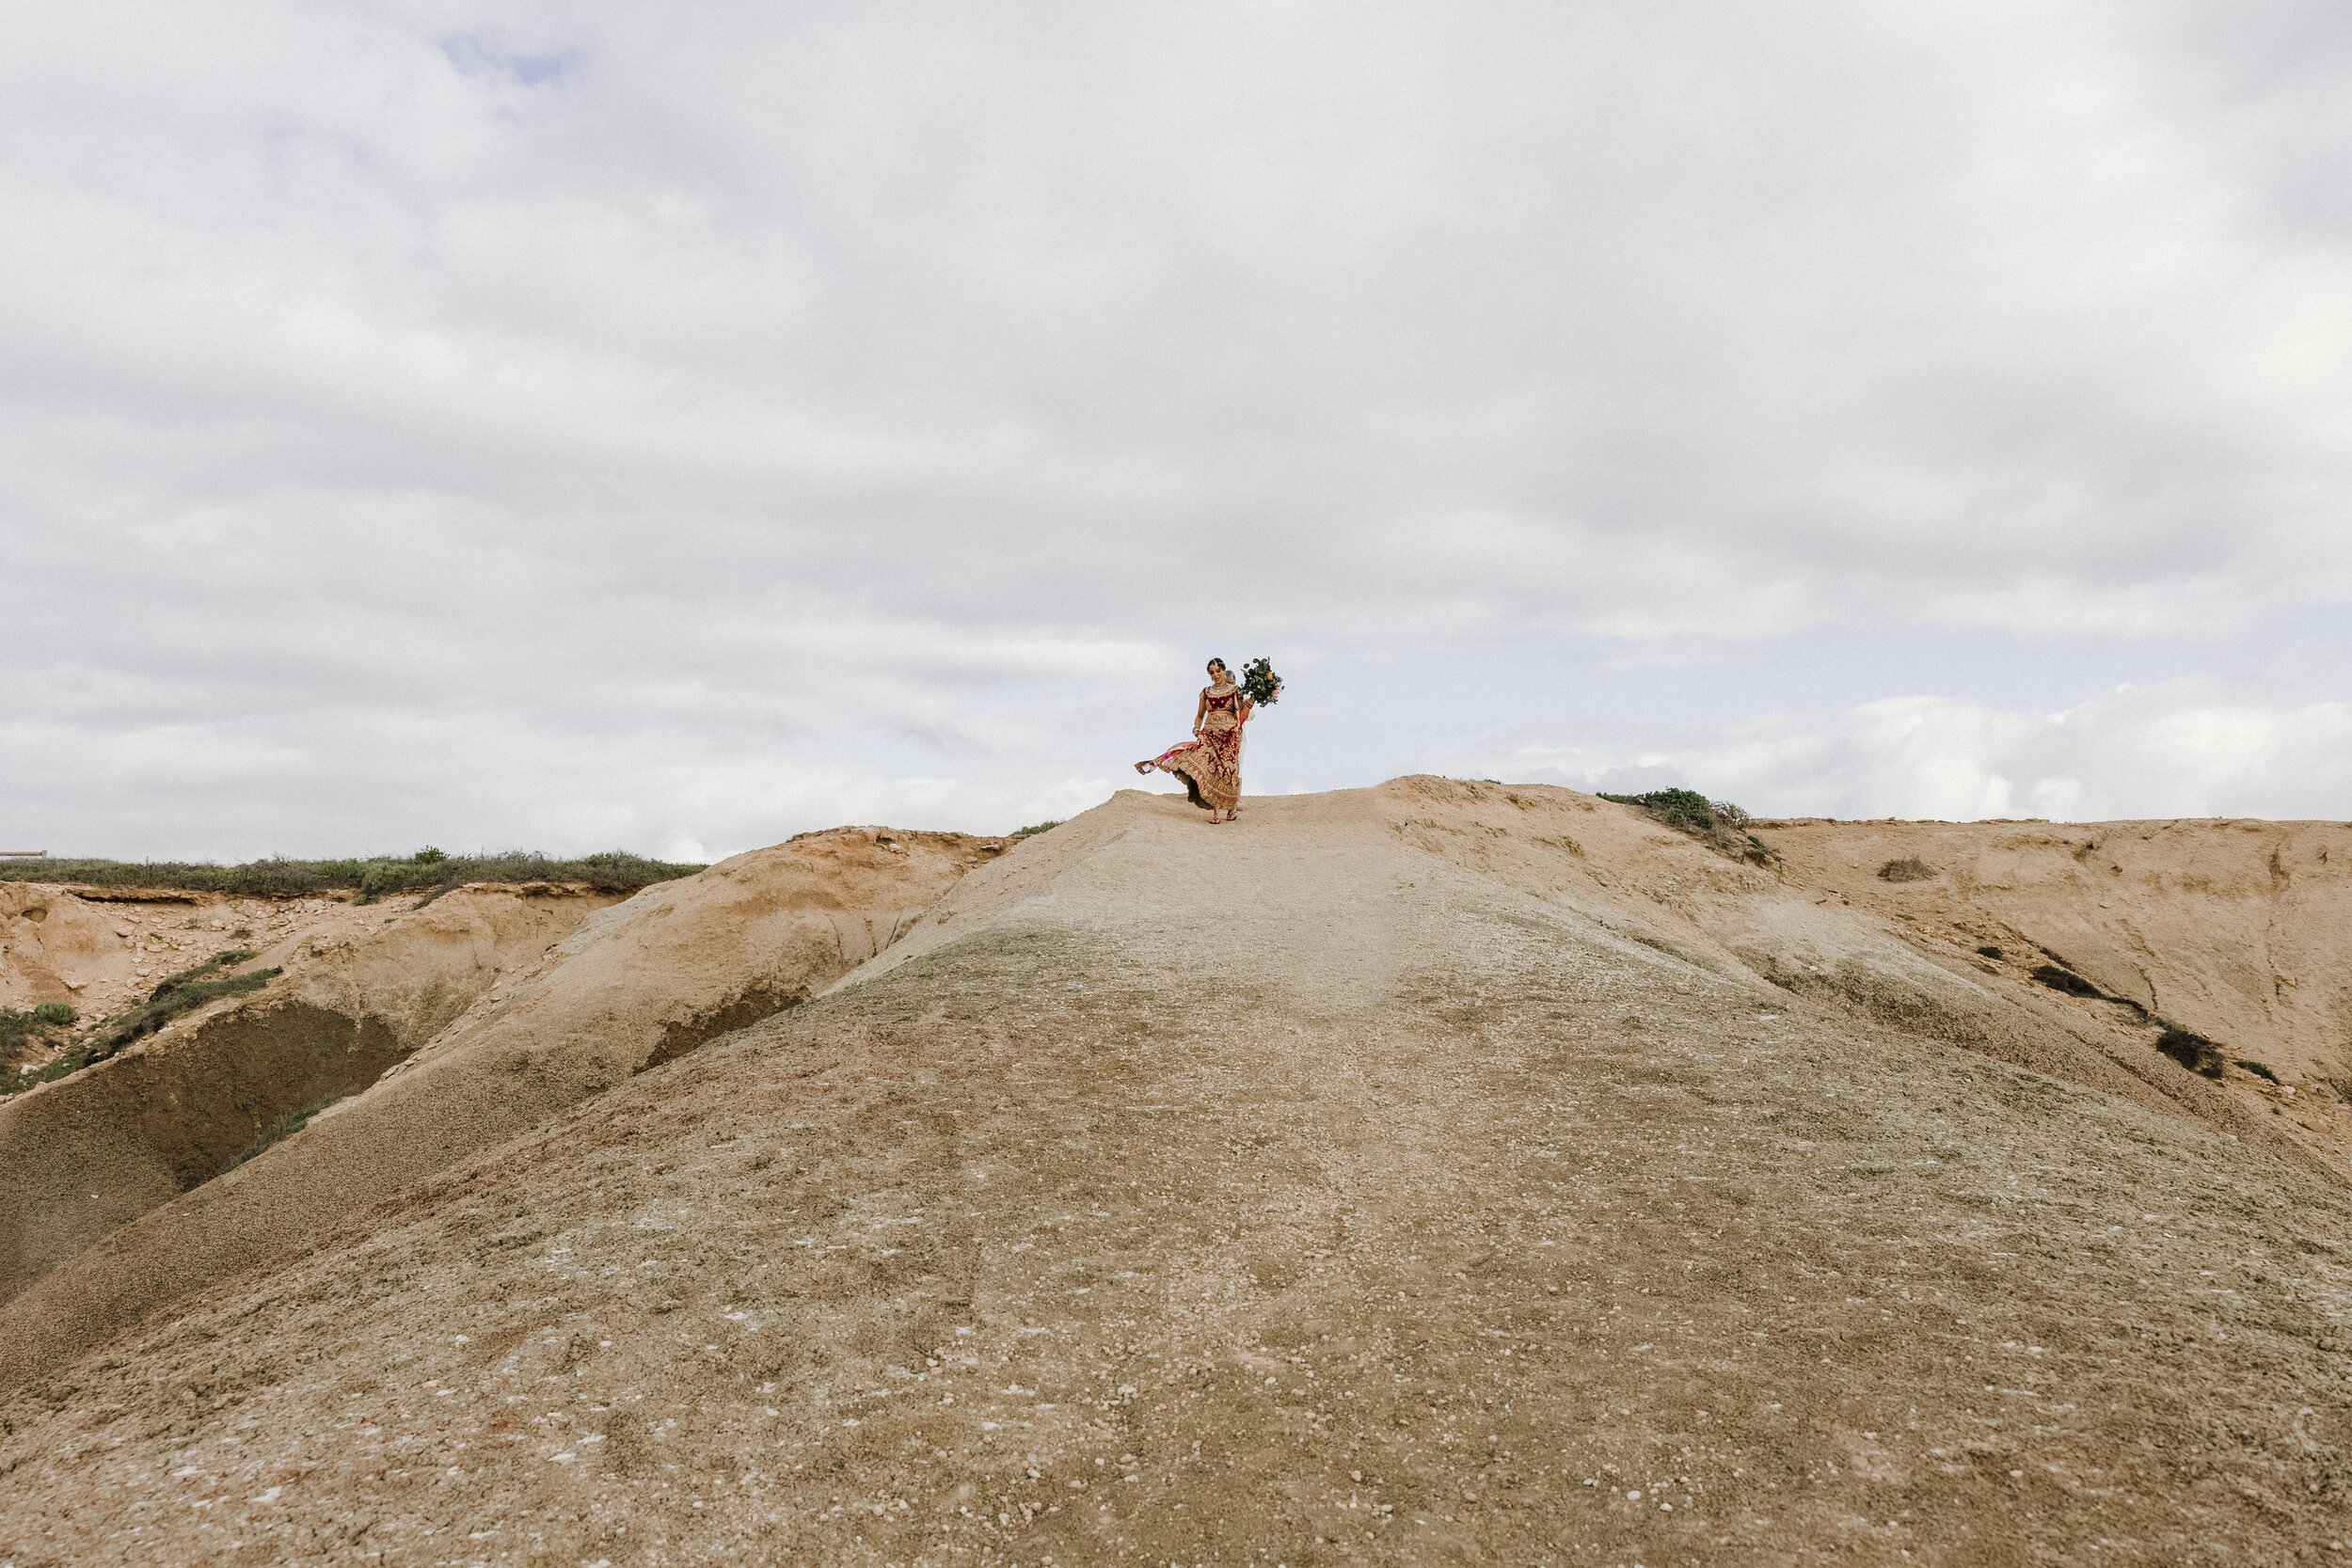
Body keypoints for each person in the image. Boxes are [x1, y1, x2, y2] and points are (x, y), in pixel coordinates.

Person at [1136, 657, 1253, 823]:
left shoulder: (1235, 691)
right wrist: (1196, 728)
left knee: (1229, 770)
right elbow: (1199, 715)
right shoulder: (1206, 692)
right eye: (1212, 672)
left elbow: (1241, 714)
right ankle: (1216, 814)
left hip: (1229, 736)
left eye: (1218, 671)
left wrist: (1252, 700)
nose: (1215, 675)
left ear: (1223, 670)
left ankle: (1232, 810)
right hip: (1210, 733)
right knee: (1211, 768)